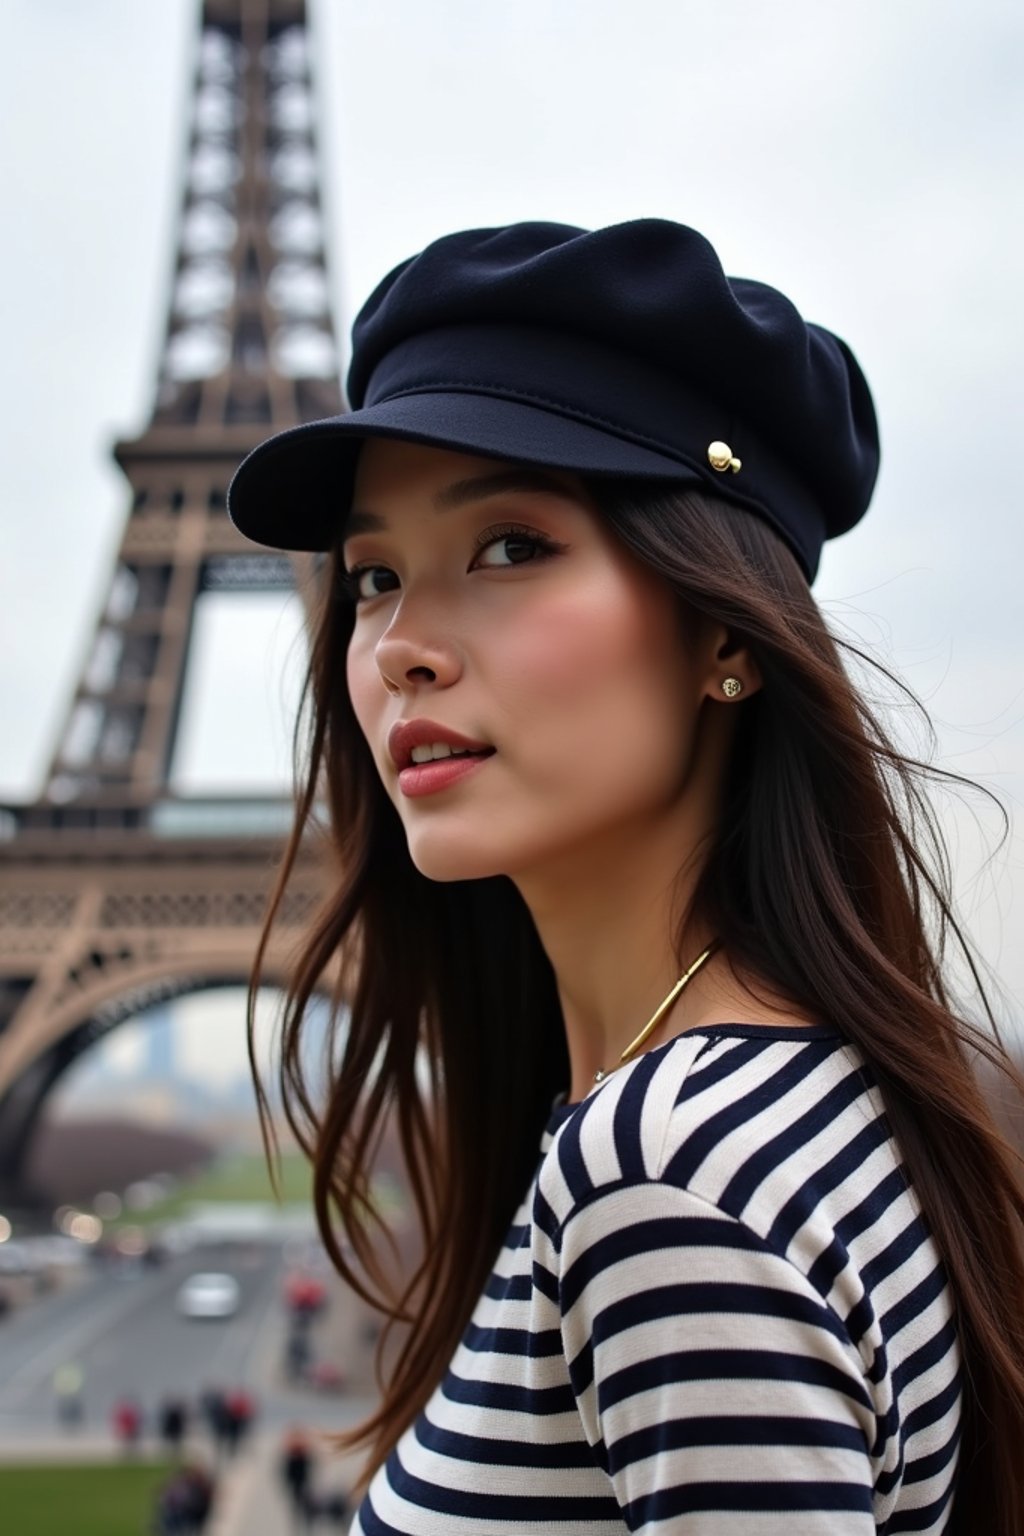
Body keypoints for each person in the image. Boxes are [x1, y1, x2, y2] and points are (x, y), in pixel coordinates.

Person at [229, 220, 1024, 1533]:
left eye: (508, 546)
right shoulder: (808, 1099)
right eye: (372, 576)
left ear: (723, 629)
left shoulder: (667, 1169)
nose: (402, 646)